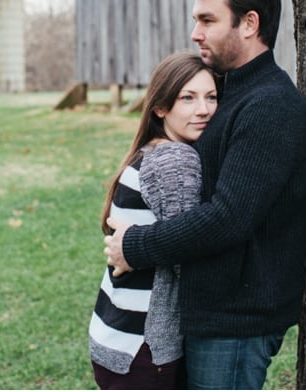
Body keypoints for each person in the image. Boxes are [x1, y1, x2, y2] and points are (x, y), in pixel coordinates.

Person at [104, 0, 306, 389]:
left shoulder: (270, 106)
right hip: (210, 314)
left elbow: (228, 217)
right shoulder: (229, 92)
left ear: (249, 24)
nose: (195, 32)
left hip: (236, 321)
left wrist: (135, 246)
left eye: (207, 20)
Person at [90, 52, 217, 389]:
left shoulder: (150, 149)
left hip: (115, 335)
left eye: (211, 97)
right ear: (161, 107)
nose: (203, 109)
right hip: (144, 349)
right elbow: (187, 253)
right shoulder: (175, 160)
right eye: (187, 98)